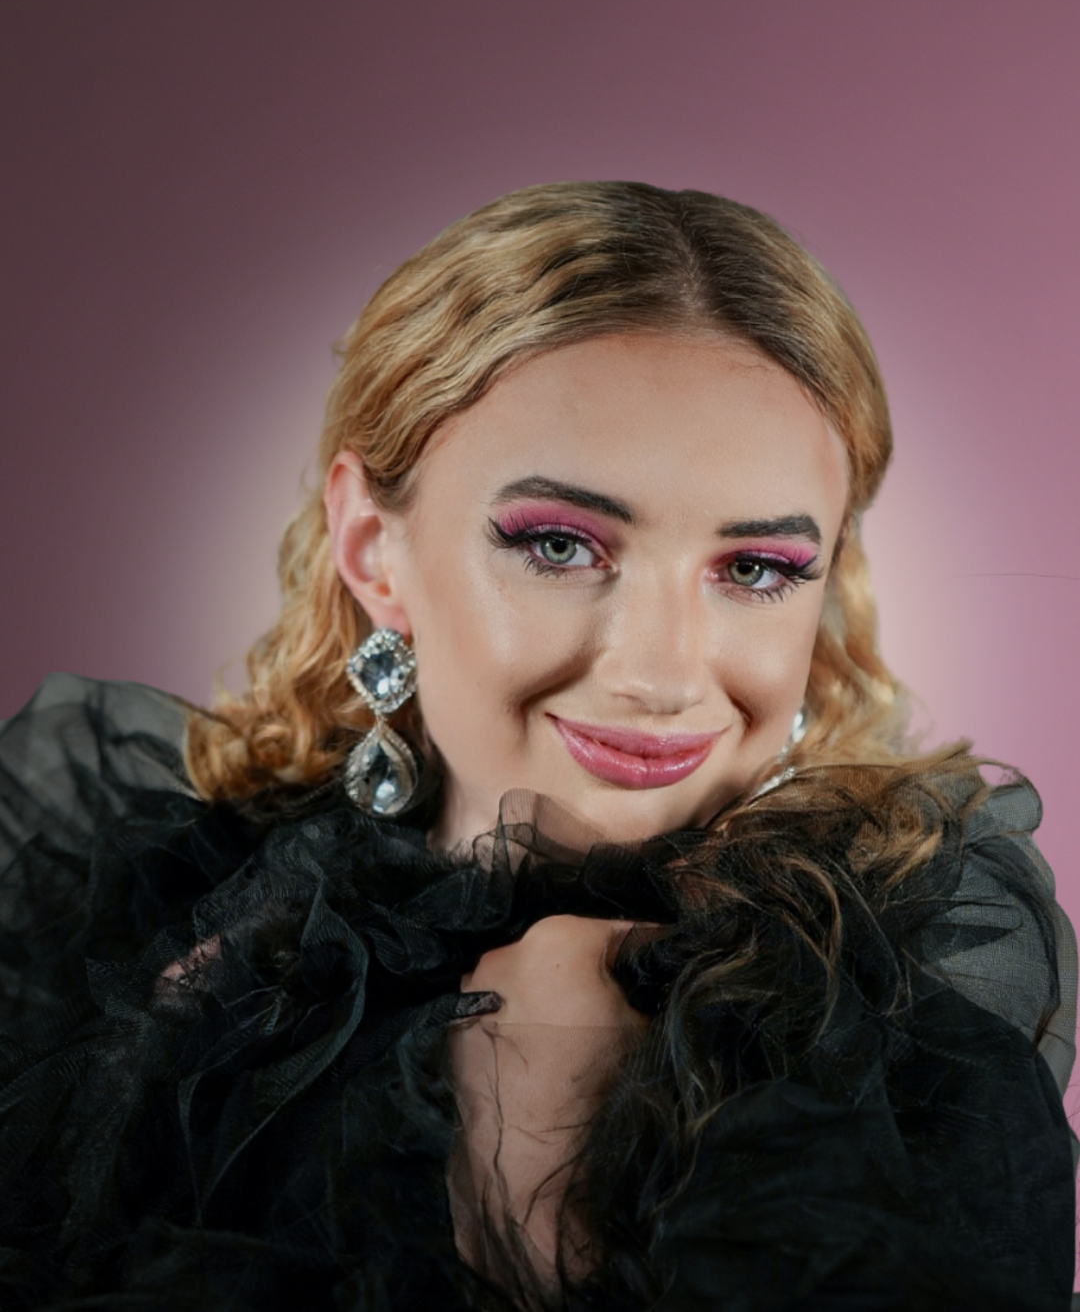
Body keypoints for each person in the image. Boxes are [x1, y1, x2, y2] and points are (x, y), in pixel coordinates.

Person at [0, 181, 1074, 1311]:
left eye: (756, 568)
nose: (663, 673)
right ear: (373, 549)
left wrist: (548, 1243)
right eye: (560, 546)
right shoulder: (143, 913)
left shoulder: (886, 1025)